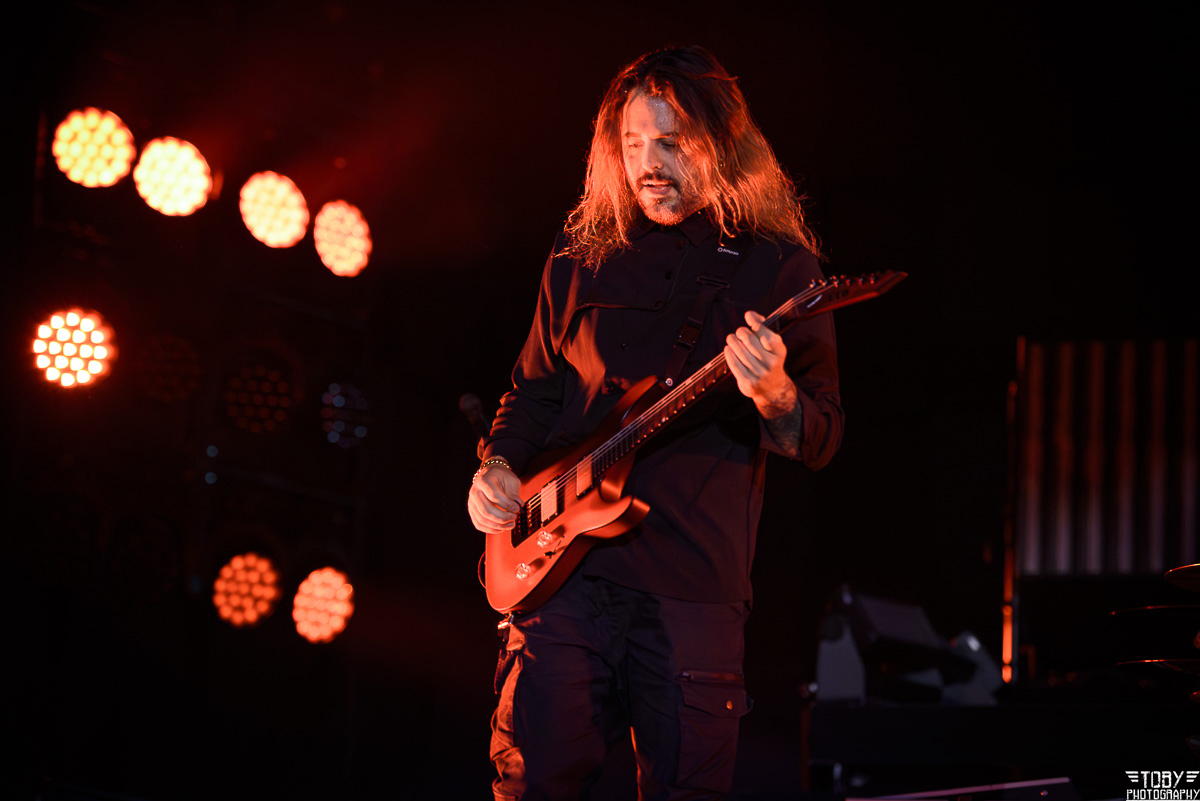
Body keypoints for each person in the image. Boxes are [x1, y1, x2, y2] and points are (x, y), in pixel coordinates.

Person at [467, 45, 843, 801]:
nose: (648, 164)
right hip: (561, 582)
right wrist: (497, 469)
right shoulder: (580, 254)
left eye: (670, 142)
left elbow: (819, 437)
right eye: (633, 143)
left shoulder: (778, 267)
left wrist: (774, 393)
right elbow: (533, 392)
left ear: (720, 144)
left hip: (690, 591)